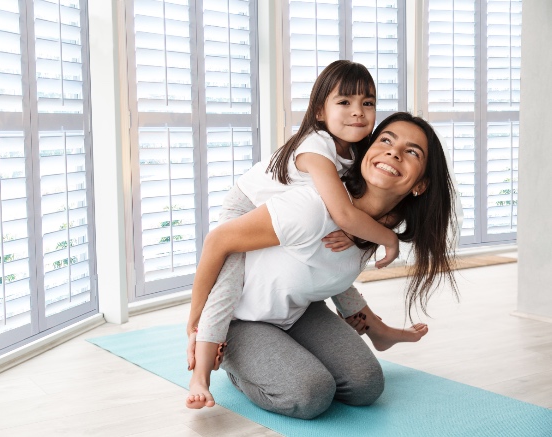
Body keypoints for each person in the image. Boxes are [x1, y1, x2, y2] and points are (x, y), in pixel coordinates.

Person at [186, 113, 458, 418]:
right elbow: (218, 241)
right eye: (385, 140)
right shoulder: (311, 207)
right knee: (310, 394)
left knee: (366, 386)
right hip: (241, 320)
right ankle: (239, 369)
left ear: (420, 185)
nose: (394, 152)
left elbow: (331, 273)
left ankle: (286, 355)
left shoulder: (377, 227)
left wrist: (374, 326)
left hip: (300, 311)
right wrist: (194, 324)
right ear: (367, 153)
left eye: (412, 152)